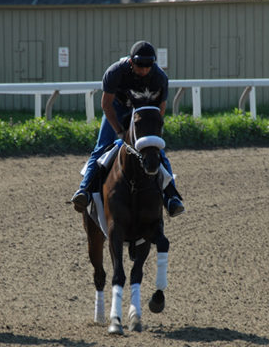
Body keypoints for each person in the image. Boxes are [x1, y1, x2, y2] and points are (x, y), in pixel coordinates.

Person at [71, 40, 184, 217]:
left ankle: (171, 197)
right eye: (140, 66)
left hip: (144, 113)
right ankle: (84, 190)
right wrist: (119, 131)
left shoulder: (160, 77)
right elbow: (106, 104)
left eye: (148, 66)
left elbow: (161, 109)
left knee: (158, 151)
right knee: (102, 147)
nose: (144, 70)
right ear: (131, 62)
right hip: (117, 109)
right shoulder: (115, 72)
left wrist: (154, 133)